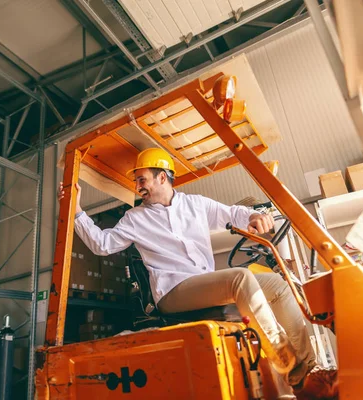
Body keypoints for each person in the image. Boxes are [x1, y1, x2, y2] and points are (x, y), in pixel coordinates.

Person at [58, 148, 338, 400]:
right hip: (173, 293)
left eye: (142, 179)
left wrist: (252, 217)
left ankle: (311, 370)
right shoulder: (135, 218)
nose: (137, 186)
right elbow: (102, 245)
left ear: (163, 177)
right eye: (137, 181)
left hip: (202, 284)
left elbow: (232, 213)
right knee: (240, 278)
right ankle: (294, 372)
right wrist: (77, 210)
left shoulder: (196, 204)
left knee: (278, 283)